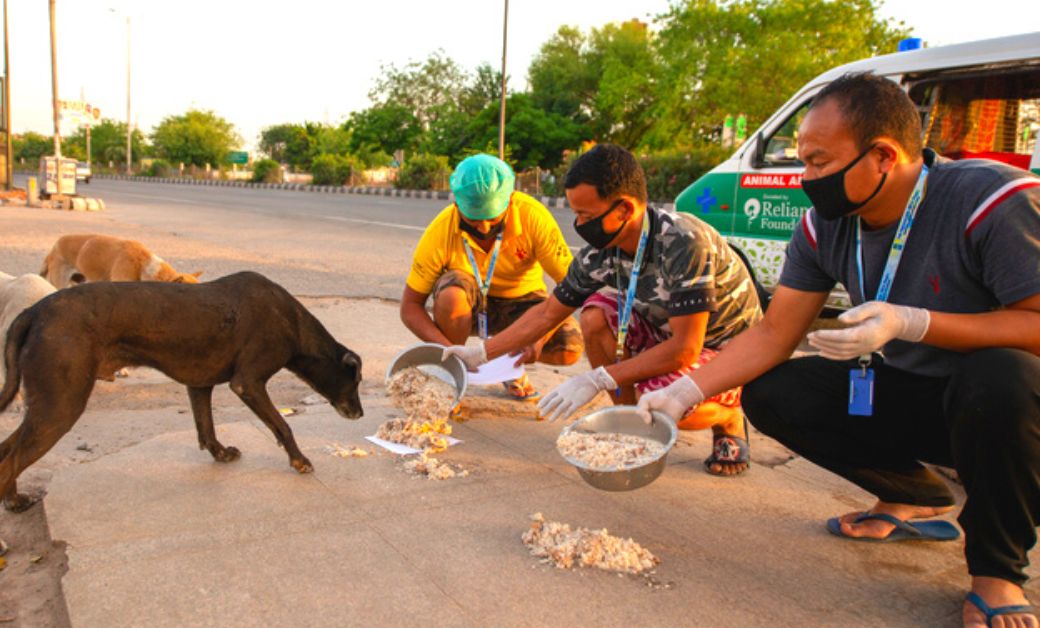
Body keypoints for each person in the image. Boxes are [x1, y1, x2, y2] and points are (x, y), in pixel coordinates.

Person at [636, 72, 1040, 627]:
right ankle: (912, 496)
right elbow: (776, 334)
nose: (808, 178)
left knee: (1001, 376)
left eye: (821, 163)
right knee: (776, 393)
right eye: (804, 161)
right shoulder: (824, 225)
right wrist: (684, 391)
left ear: (882, 155)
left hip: (1002, 406)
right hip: (912, 389)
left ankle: (997, 571)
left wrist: (916, 322)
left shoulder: (990, 199)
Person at [445, 144, 763, 475]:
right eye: (576, 214)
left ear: (624, 209)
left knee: (661, 397)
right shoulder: (602, 252)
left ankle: (729, 417)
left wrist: (599, 378)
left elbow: (685, 348)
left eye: (587, 216)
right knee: (596, 312)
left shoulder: (684, 242)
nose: (580, 225)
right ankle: (631, 424)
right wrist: (481, 353)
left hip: (725, 348)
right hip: (663, 330)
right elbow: (547, 313)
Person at [400, 153, 583, 399]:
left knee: (568, 346)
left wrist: (539, 337)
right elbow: (410, 307)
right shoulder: (441, 230)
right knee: (451, 296)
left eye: (493, 218)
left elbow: (573, 286)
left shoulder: (533, 217)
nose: (484, 229)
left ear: (510, 201)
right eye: (474, 220)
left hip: (523, 306)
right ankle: (454, 373)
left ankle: (508, 367)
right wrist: (447, 352)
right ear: (457, 206)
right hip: (468, 307)